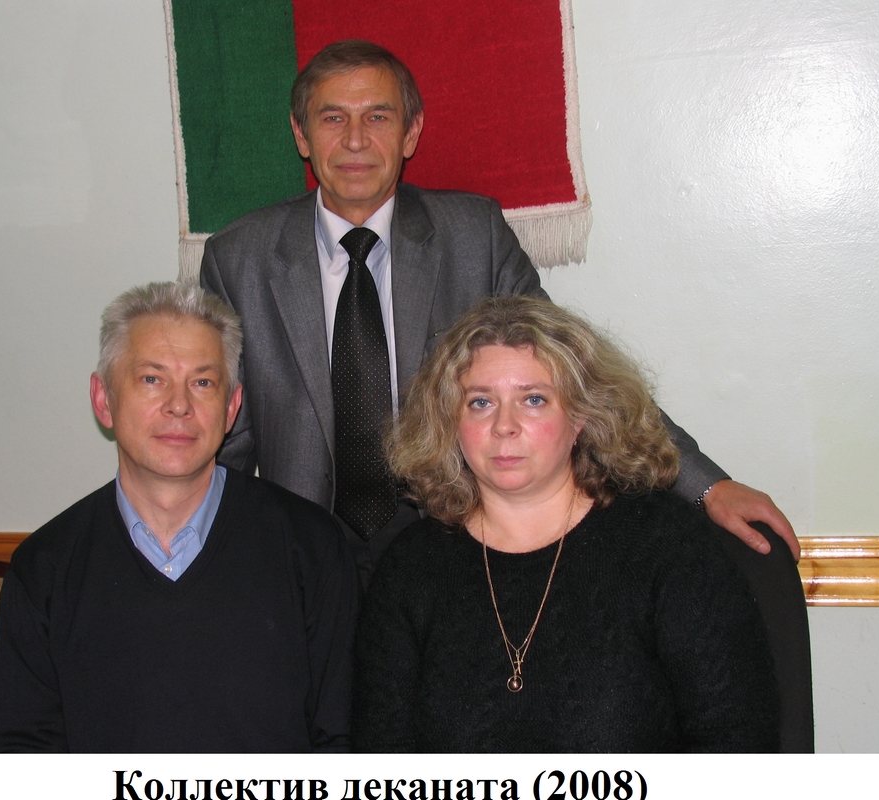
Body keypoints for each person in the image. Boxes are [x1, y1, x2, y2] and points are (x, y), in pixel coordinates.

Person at [200, 39, 796, 586]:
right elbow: (220, 434)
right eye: (333, 118)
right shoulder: (239, 258)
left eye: (377, 117)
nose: (355, 140)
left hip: (450, 545)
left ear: (411, 132)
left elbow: (578, 380)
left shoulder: (474, 237)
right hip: (299, 560)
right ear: (301, 134)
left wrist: (708, 486)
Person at [352, 296, 779, 752]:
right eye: (480, 402)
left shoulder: (666, 544)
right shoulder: (410, 567)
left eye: (533, 400)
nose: (504, 426)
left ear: (580, 418)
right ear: (449, 422)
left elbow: (739, 749)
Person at [0, 282, 358, 753]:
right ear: (103, 399)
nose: (179, 405)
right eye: (151, 379)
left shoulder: (312, 548)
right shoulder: (45, 568)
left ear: (231, 408)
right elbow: (20, 763)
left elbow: (342, 744)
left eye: (203, 383)